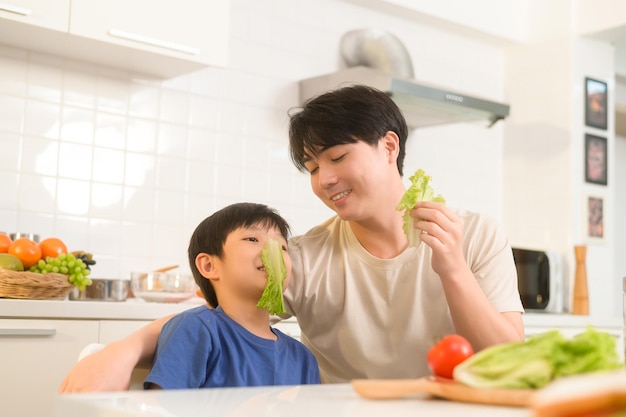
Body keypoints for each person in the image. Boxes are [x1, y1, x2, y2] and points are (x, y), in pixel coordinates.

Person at [59, 85, 524, 391]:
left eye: (337, 157)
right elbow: (221, 318)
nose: (325, 180)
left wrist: (453, 270)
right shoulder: (301, 257)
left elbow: (511, 364)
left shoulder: (475, 234)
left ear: (389, 147)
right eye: (313, 167)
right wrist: (123, 350)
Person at [143, 202, 319, 389]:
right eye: (252, 239)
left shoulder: (302, 357)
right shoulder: (196, 329)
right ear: (209, 266)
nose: (273, 250)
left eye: (282, 246)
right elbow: (160, 409)